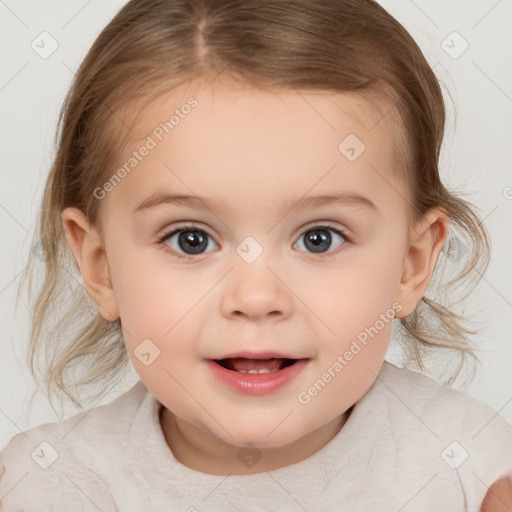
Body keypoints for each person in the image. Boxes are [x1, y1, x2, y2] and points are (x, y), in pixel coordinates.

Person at [1, 0, 511, 510]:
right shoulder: (52, 486)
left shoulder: (473, 474)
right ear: (101, 267)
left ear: (412, 264)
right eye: (190, 239)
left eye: (319, 238)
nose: (256, 297)